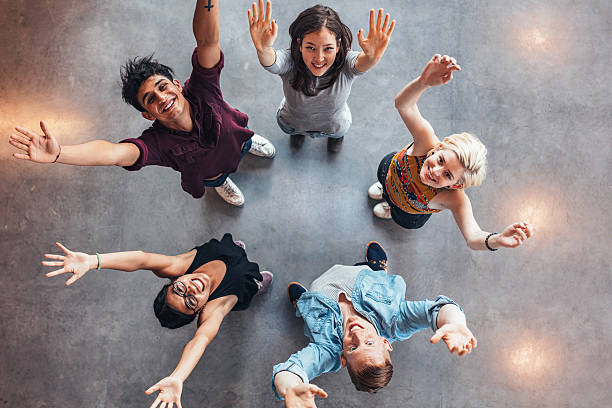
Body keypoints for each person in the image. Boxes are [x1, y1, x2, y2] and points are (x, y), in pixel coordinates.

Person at [8, 0, 275, 207]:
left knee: (244, 142)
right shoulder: (156, 145)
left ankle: (249, 144)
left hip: (237, 139)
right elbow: (113, 154)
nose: (162, 98)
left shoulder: (203, 87)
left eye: (163, 86)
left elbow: (207, 40)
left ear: (177, 85)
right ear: (148, 115)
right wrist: (59, 154)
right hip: (209, 172)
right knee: (214, 178)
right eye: (150, 100)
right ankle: (221, 182)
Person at [41, 233, 273, 408]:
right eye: (192, 302)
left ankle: (236, 251)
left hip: (220, 252)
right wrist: (177, 377)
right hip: (241, 282)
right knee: (249, 282)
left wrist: (93, 261)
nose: (191, 288)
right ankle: (256, 281)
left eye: (180, 288)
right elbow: (200, 340)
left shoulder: (179, 267)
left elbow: (141, 259)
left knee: (233, 251)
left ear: (175, 279)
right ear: (199, 311)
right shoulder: (213, 311)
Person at [272, 241, 476, 407]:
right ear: (386, 342)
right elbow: (437, 310)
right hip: (362, 275)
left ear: (342, 357)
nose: (357, 334)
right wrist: (455, 321)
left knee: (308, 307)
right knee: (369, 270)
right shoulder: (396, 320)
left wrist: (290, 388)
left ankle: (304, 302)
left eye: (352, 348)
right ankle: (377, 267)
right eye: (369, 343)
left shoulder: (327, 350)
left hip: (319, 293)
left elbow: (292, 369)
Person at [368, 54, 534, 251]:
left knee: (399, 214)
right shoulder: (426, 141)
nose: (435, 171)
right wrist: (423, 83)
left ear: (456, 184)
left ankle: (391, 206)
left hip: (407, 211)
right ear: (438, 149)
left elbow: (473, 237)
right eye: (440, 160)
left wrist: (497, 239)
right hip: (389, 170)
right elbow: (404, 105)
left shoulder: (455, 199)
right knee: (385, 179)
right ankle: (385, 189)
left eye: (447, 175)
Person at [248, 0, 395, 152]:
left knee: (336, 135)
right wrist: (263, 49)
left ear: (338, 46)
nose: (319, 58)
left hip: (334, 126)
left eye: (328, 49)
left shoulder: (345, 65)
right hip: (293, 122)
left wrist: (371, 58)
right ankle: (298, 134)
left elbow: (361, 64)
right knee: (296, 131)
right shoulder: (290, 61)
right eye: (310, 47)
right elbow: (272, 63)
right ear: (300, 44)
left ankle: (334, 138)